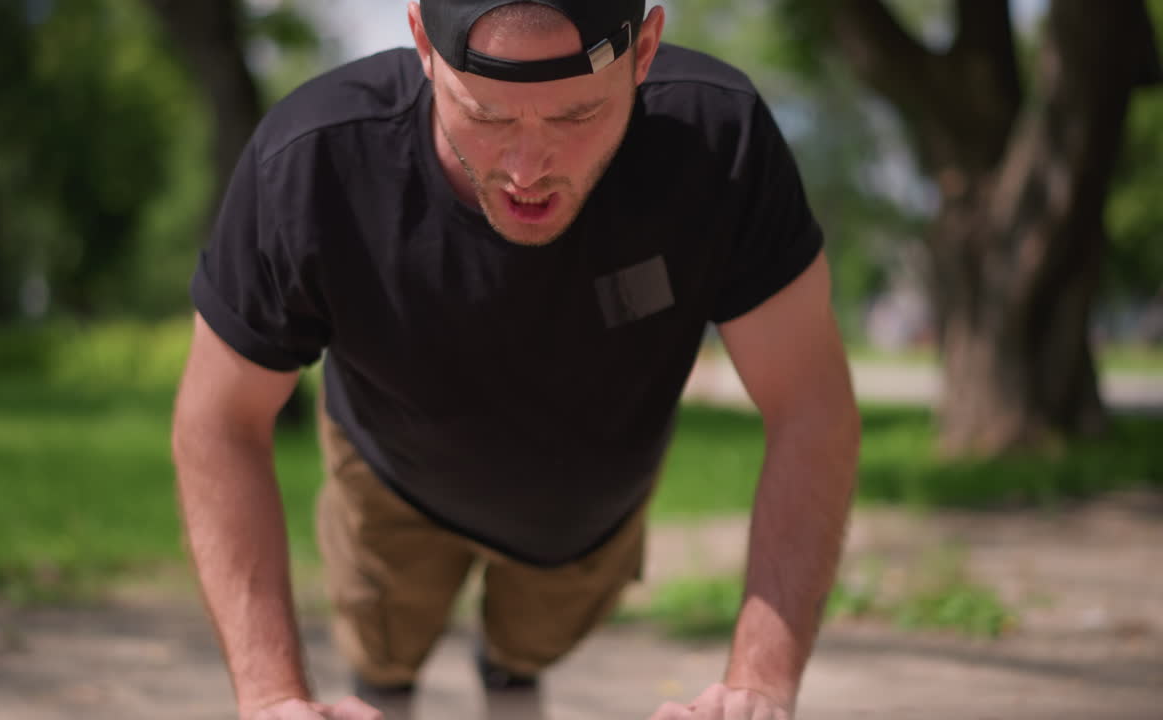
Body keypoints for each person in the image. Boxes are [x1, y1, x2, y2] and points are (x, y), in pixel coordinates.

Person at [171, 1, 860, 718]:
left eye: (576, 115)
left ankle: (510, 676)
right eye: (489, 116)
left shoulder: (722, 141)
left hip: (587, 503)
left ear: (646, 50)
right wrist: (271, 699)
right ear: (422, 45)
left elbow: (809, 406)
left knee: (532, 645)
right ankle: (386, 689)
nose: (528, 168)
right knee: (384, 640)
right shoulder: (310, 161)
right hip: (388, 474)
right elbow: (218, 420)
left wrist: (760, 683)